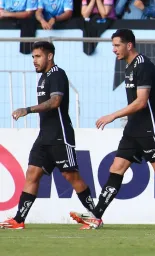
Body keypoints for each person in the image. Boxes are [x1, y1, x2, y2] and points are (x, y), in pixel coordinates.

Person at [69, 29, 155, 230]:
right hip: (133, 128)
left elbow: (142, 102)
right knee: (116, 169)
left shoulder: (144, 66)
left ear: (129, 45)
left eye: (117, 45)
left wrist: (113, 116)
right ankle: (97, 216)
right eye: (113, 45)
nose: (113, 50)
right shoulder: (129, 67)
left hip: (149, 128)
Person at [0, 42, 95, 230]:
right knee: (32, 174)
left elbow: (55, 101)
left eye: (38, 56)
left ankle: (95, 215)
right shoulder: (43, 77)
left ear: (49, 56)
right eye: (33, 57)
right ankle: (19, 219)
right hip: (44, 136)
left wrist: (28, 110)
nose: (34, 61)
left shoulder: (57, 74)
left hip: (60, 135)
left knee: (71, 176)